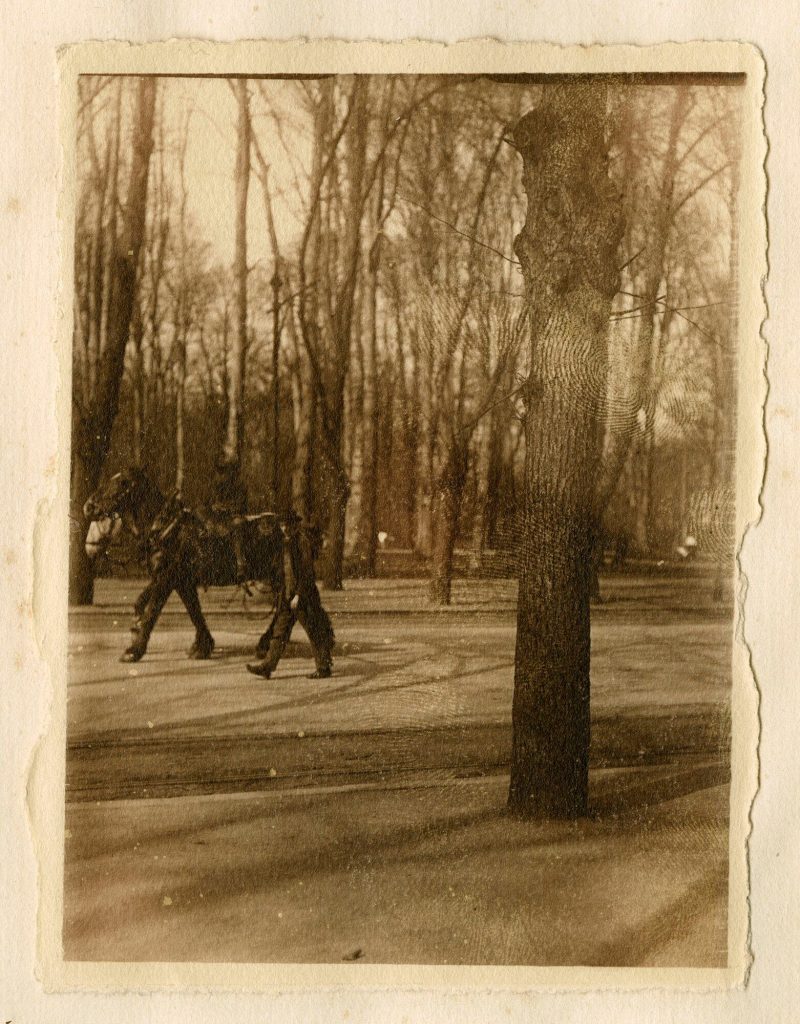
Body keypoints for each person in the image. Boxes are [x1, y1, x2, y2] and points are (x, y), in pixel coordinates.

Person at [247, 509, 334, 679]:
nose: (284, 528)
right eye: (281, 525)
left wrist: (298, 595)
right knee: (279, 632)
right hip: (287, 597)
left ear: (294, 525)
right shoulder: (284, 542)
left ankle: (323, 667)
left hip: (303, 597)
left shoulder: (302, 541)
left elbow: (307, 572)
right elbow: (282, 570)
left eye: (287, 524)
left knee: (314, 631)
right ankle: (267, 666)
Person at [203, 458, 249, 584]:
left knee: (237, 527)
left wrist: (226, 507)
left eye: (224, 471)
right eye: (219, 471)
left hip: (234, 517)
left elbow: (241, 504)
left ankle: (240, 564)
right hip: (218, 519)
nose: (221, 475)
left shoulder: (239, 485)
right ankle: (208, 564)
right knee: (206, 529)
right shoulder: (214, 486)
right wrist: (213, 506)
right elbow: (206, 502)